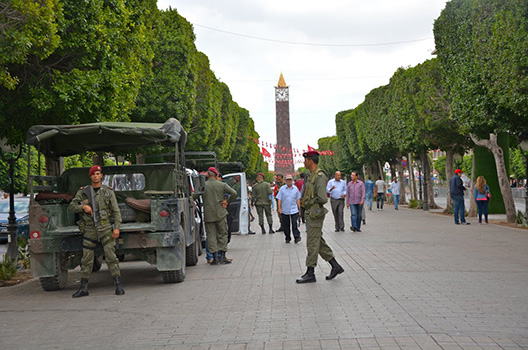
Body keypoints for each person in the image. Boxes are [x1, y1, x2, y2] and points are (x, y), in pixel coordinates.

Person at [69, 165, 124, 298]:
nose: (96, 176)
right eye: (93, 174)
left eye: (98, 174)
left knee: (111, 257)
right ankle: (83, 288)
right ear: (90, 176)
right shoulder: (83, 192)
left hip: (105, 228)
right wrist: (84, 207)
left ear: (101, 176)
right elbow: (72, 207)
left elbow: (116, 212)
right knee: (87, 259)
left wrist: (116, 227)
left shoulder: (107, 192)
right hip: (89, 229)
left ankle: (118, 285)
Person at [296, 151, 344, 284]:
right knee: (318, 242)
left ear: (311, 161)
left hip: (315, 213)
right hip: (310, 213)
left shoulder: (319, 176)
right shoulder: (311, 175)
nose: (304, 162)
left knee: (312, 242)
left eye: (305, 160)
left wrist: (310, 203)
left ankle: (310, 272)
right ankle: (335, 266)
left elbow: (323, 198)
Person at [196, 167, 237, 265]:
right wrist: (227, 201)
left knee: (211, 236)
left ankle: (214, 258)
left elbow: (194, 196)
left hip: (208, 214)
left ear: (208, 175)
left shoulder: (203, 186)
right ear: (217, 175)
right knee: (222, 234)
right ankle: (222, 257)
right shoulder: (222, 185)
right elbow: (234, 193)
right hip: (220, 213)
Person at [276, 175, 302, 243]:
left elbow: (298, 199)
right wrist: (279, 208)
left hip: (294, 209)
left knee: (294, 224)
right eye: (288, 180)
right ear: (285, 181)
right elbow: (279, 199)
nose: (289, 181)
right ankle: (287, 237)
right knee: (286, 225)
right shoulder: (282, 189)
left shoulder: (295, 189)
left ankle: (297, 237)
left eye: (290, 179)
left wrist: (299, 209)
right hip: (285, 209)